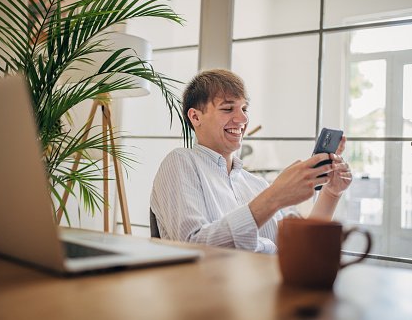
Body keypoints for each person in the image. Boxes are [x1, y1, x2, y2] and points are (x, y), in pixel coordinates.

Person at [150, 69, 352, 253]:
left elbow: (298, 252)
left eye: (244, 109)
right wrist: (274, 196)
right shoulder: (181, 162)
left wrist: (331, 193)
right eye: (228, 109)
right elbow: (191, 247)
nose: (243, 119)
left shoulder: (257, 184)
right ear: (195, 117)